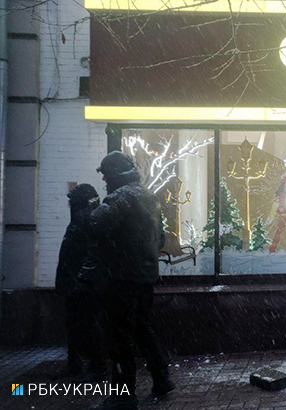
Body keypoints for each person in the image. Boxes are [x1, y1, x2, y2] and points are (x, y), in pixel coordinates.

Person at [87, 151, 174, 410]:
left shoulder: (119, 198)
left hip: (121, 278)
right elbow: (160, 238)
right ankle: (161, 377)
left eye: (105, 175)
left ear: (114, 174)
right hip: (145, 277)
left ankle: (124, 395)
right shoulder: (149, 196)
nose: (104, 181)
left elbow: (95, 226)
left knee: (119, 337)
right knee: (143, 329)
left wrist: (92, 208)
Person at [53, 184, 106, 381]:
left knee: (85, 325)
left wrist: (79, 279)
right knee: (80, 325)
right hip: (79, 282)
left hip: (81, 283)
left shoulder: (85, 221)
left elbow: (83, 254)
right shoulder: (84, 220)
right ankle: (83, 364)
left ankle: (94, 366)